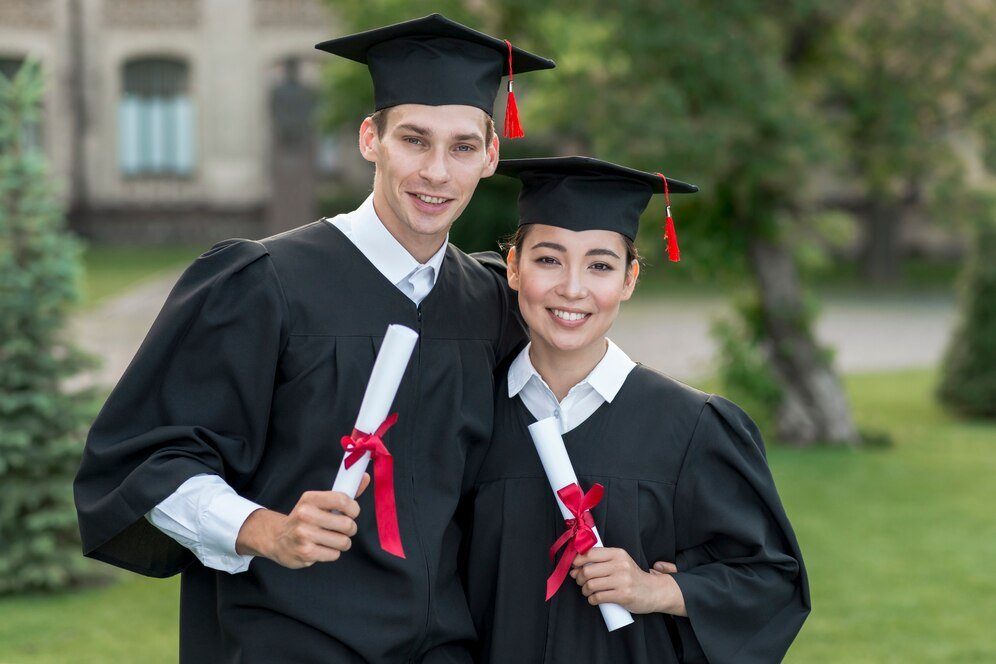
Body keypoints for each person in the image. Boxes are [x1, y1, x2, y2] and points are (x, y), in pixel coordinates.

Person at [74, 14, 553, 663]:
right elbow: (149, 463)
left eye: (463, 147)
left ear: (491, 156)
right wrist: (264, 529)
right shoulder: (264, 284)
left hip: (443, 646)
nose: (437, 172)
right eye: (414, 140)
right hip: (289, 637)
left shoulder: (491, 304)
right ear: (370, 139)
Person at [464, 156, 811, 663]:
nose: (573, 288)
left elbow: (770, 581)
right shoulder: (471, 415)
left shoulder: (692, 427)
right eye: (548, 260)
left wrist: (658, 590)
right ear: (513, 267)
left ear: (629, 280)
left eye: (600, 266)